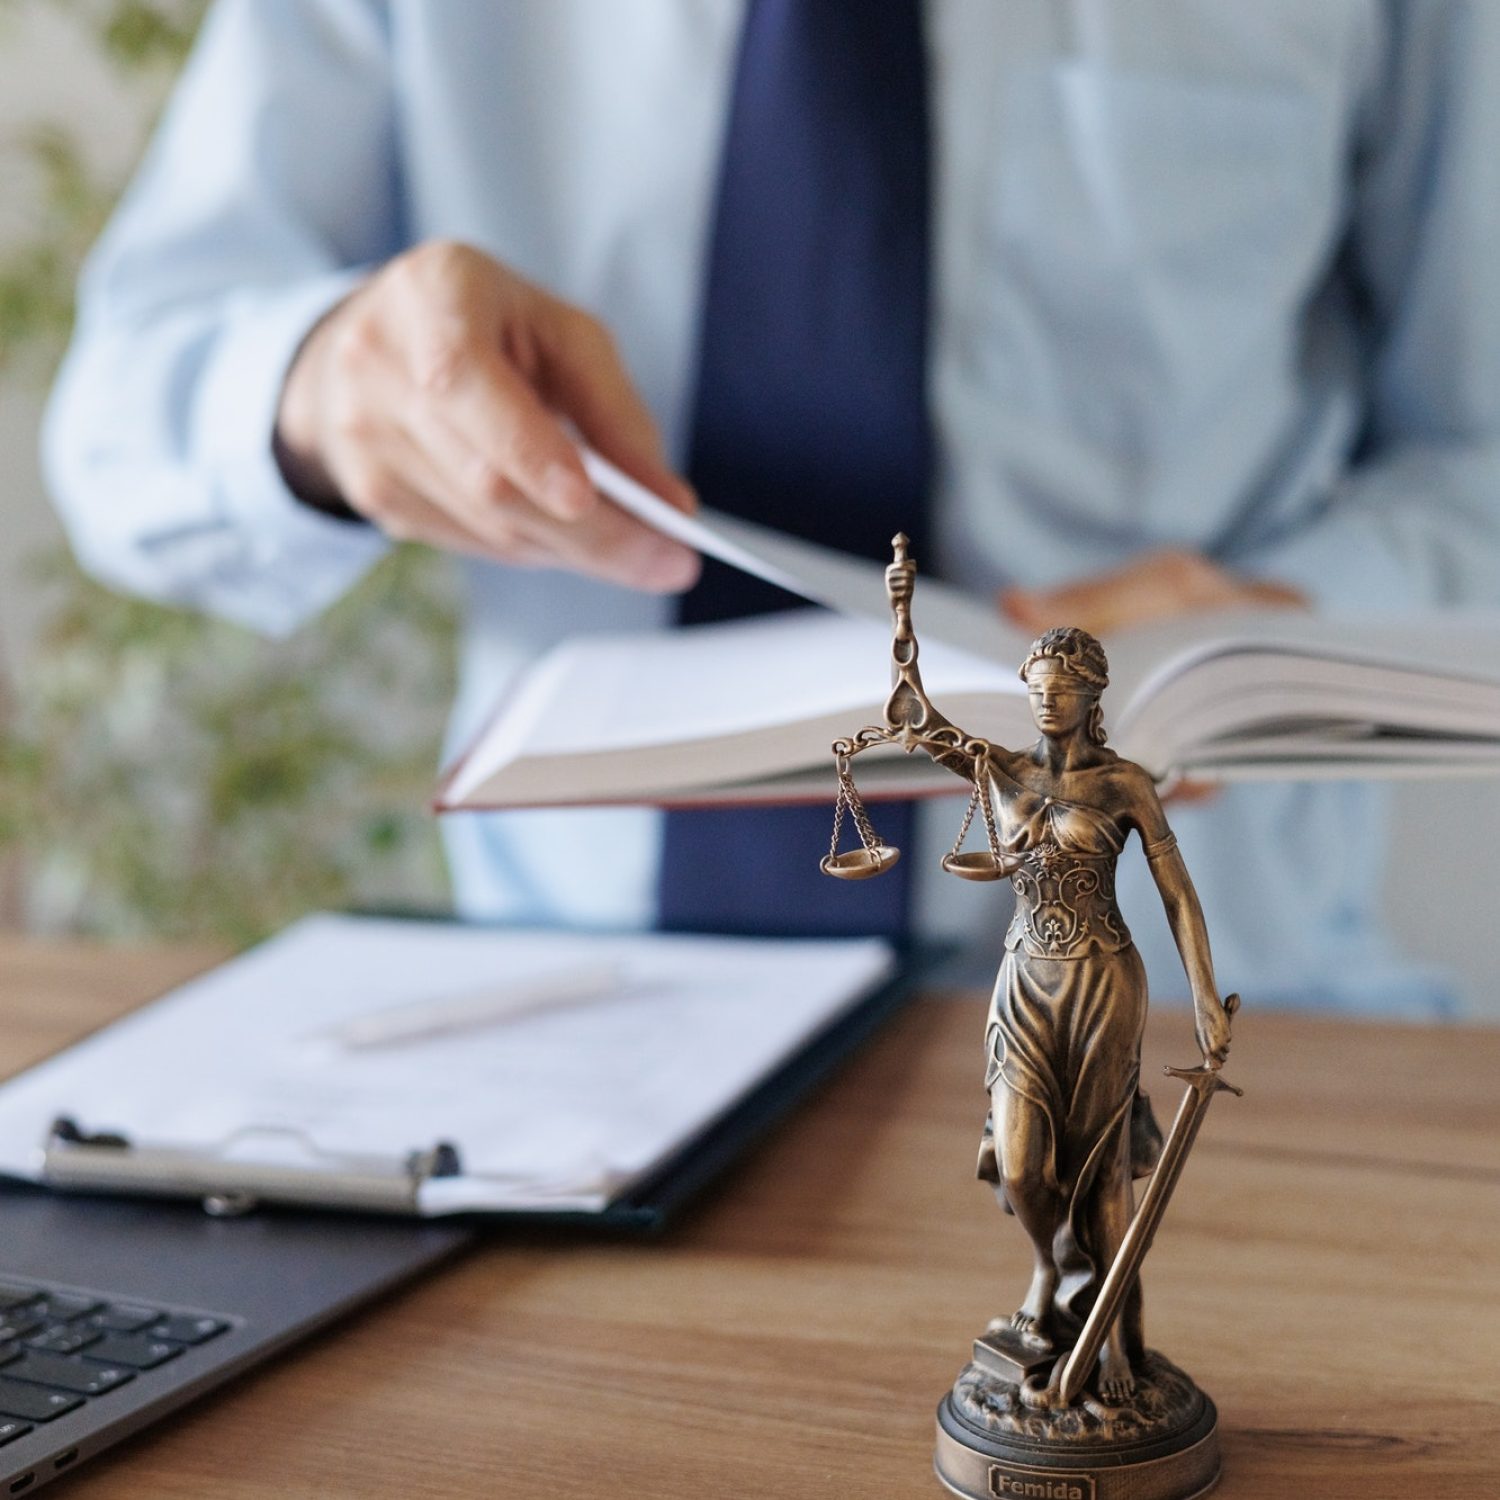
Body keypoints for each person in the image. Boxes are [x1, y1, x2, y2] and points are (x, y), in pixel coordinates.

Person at [42, 2, 1500, 1009]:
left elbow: (1476, 446)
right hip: (579, 1022)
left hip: (1197, 1014)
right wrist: (318, 390)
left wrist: (1281, 622)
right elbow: (120, 421)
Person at [875, 554, 1229, 1401]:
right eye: (1035, 684)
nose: (1045, 699)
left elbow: (1177, 894)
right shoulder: (1000, 771)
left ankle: (1112, 1344)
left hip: (1103, 983)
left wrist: (1206, 997)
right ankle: (1049, 1270)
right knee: (1027, 1165)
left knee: (1101, 1167)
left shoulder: (1124, 786)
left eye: (1061, 687)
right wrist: (901, 627)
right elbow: (917, 722)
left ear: (1091, 698)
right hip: (1022, 983)